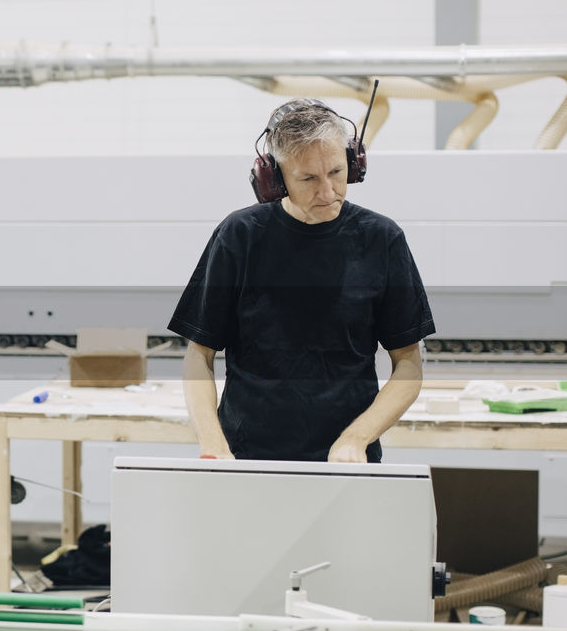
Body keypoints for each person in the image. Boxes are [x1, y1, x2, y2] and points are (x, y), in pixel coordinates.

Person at [170, 98, 434, 463]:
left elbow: (408, 364)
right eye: (308, 178)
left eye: (337, 173)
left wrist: (357, 438)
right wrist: (213, 443)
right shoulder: (240, 236)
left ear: (355, 164)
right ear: (274, 179)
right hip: (247, 459)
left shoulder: (382, 240)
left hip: (347, 462)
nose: (328, 192)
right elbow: (199, 354)